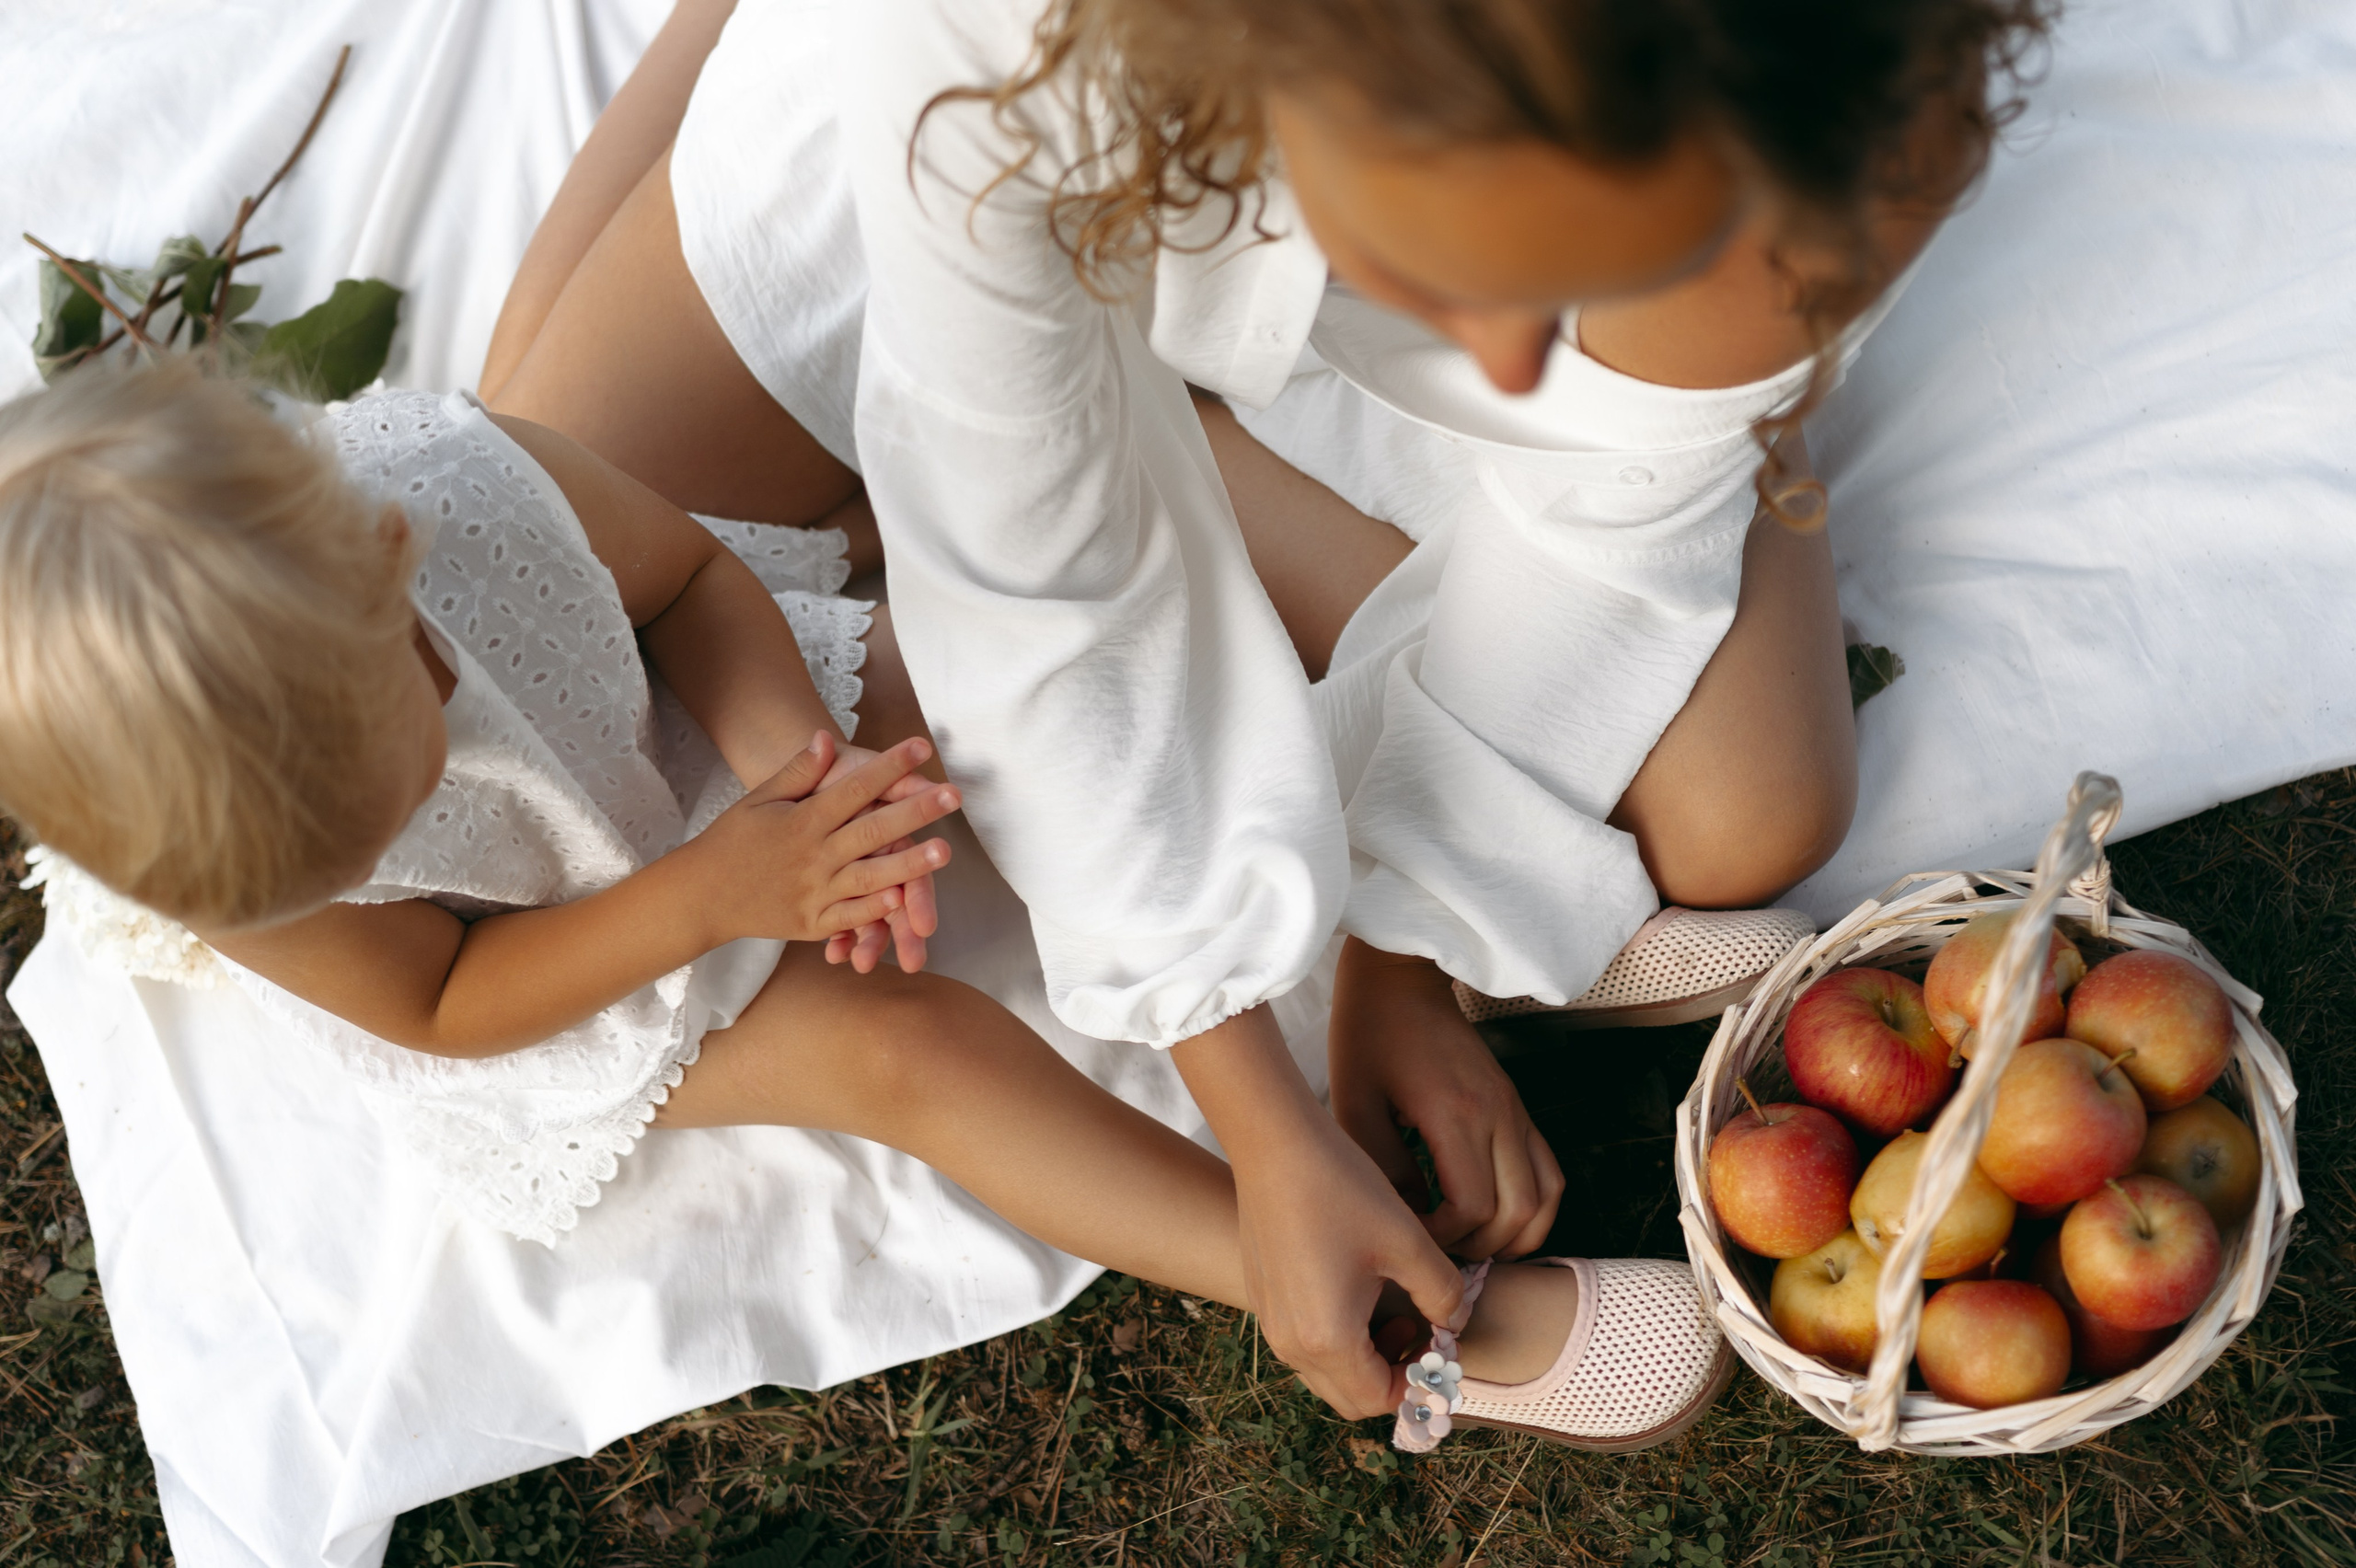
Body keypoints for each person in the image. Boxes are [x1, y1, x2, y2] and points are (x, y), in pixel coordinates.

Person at [476, 0, 2046, 1426]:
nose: (1514, 362)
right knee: (534, 535)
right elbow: (1043, 605)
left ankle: (1174, 434)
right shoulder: (991, 52)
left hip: (1252, 221)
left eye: (1574, 280)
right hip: (966, 175)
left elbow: (1603, 502)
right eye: (1480, 265)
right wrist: (1264, 1117)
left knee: (1748, 808)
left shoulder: (1845, 91)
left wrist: (1404, 951)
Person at [0, 361, 1736, 1452]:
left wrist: (798, 777)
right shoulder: (246, 868)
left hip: (691, 749)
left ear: (388, 560)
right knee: (913, 1056)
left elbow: (685, 581)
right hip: (570, 976)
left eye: (377, 780)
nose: (366, 828)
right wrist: (714, 895)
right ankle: (1387, 1304)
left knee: (1035, 711)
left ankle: (1450, 931)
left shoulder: (463, 485)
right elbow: (454, 1003)